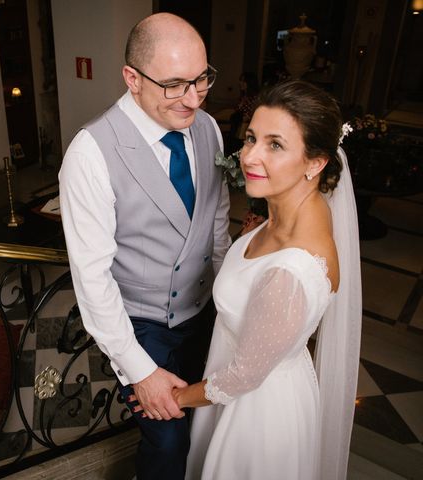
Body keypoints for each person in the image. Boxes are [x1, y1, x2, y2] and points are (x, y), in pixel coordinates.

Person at [146, 80, 361, 479]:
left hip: (257, 414)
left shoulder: (289, 272)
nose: (249, 156)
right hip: (244, 389)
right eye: (250, 138)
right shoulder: (291, 213)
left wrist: (174, 398)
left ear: (315, 163)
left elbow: (243, 376)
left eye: (275, 145)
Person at [58, 12, 232, 480]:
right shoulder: (90, 154)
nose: (192, 98)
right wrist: (140, 369)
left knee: (206, 423)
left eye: (201, 80)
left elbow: (215, 219)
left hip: (207, 314)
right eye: (174, 85)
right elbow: (91, 279)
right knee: (167, 439)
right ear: (132, 79)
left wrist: (227, 299)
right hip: (142, 328)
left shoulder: (208, 128)